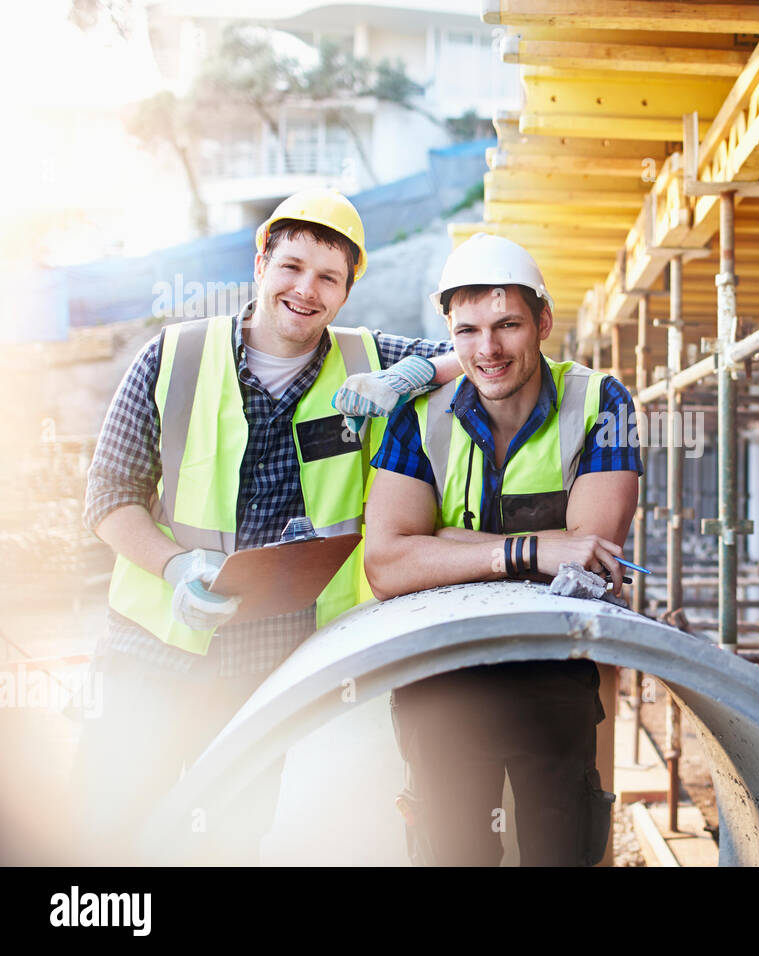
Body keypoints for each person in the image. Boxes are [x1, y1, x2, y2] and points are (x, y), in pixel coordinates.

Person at [79, 188, 462, 863]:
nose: (306, 290)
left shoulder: (366, 360)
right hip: (154, 649)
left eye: (329, 278)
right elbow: (110, 496)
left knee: (228, 839)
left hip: (268, 668)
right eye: (292, 266)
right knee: (104, 826)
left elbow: (484, 349)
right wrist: (176, 568)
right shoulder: (172, 358)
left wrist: (410, 373)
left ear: (347, 291)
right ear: (261, 261)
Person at [363, 233, 642, 866]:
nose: (487, 349)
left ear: (543, 321)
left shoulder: (600, 402)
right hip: (439, 683)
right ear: (449, 335)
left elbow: (589, 564)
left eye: (507, 324)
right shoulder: (420, 414)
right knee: (455, 854)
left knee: (560, 850)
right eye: (468, 330)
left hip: (554, 674)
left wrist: (444, 544)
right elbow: (384, 565)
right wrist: (529, 550)